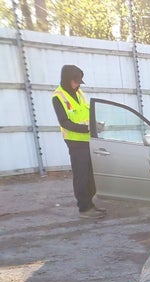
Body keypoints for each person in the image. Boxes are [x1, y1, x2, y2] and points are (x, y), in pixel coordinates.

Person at [52, 65, 104, 219]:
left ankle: (90, 204)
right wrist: (86, 128)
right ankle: (84, 208)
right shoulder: (58, 97)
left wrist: (95, 124)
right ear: (66, 80)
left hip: (88, 139)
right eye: (75, 82)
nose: (77, 85)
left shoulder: (79, 93)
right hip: (75, 142)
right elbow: (64, 122)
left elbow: (86, 113)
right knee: (81, 176)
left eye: (79, 82)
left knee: (91, 175)